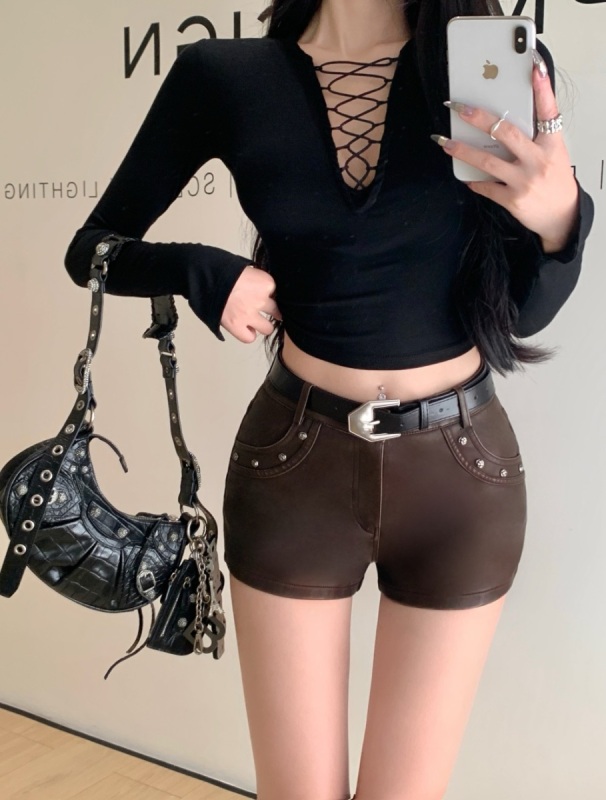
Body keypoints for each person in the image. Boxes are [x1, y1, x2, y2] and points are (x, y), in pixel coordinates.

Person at [64, 1, 595, 798]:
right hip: (294, 464)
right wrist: (203, 273)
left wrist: (559, 224)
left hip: (461, 474)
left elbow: (519, 316)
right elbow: (94, 247)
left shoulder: (484, 64)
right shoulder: (226, 76)